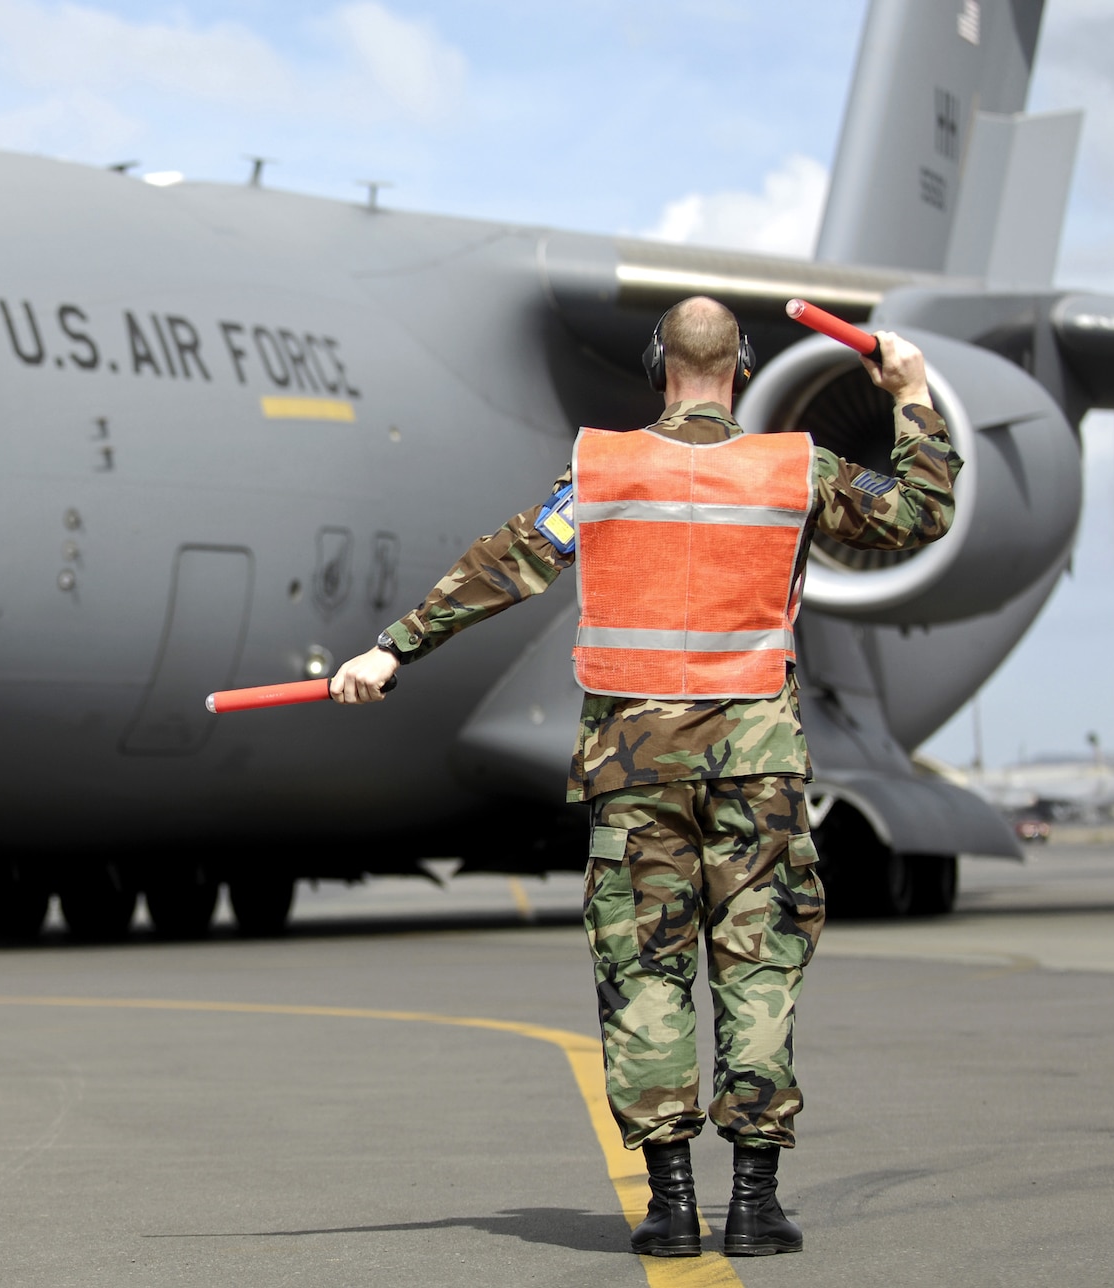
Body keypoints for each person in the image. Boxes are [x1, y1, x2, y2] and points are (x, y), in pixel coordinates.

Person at [330, 296, 959, 1258]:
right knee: (758, 966)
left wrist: (392, 649)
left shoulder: (602, 471)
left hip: (634, 768)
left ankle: (670, 1205)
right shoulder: (797, 469)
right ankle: (754, 1203)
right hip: (756, 767)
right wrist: (909, 393)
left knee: (644, 970)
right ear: (743, 366)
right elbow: (923, 510)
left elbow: (506, 563)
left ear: (656, 363)